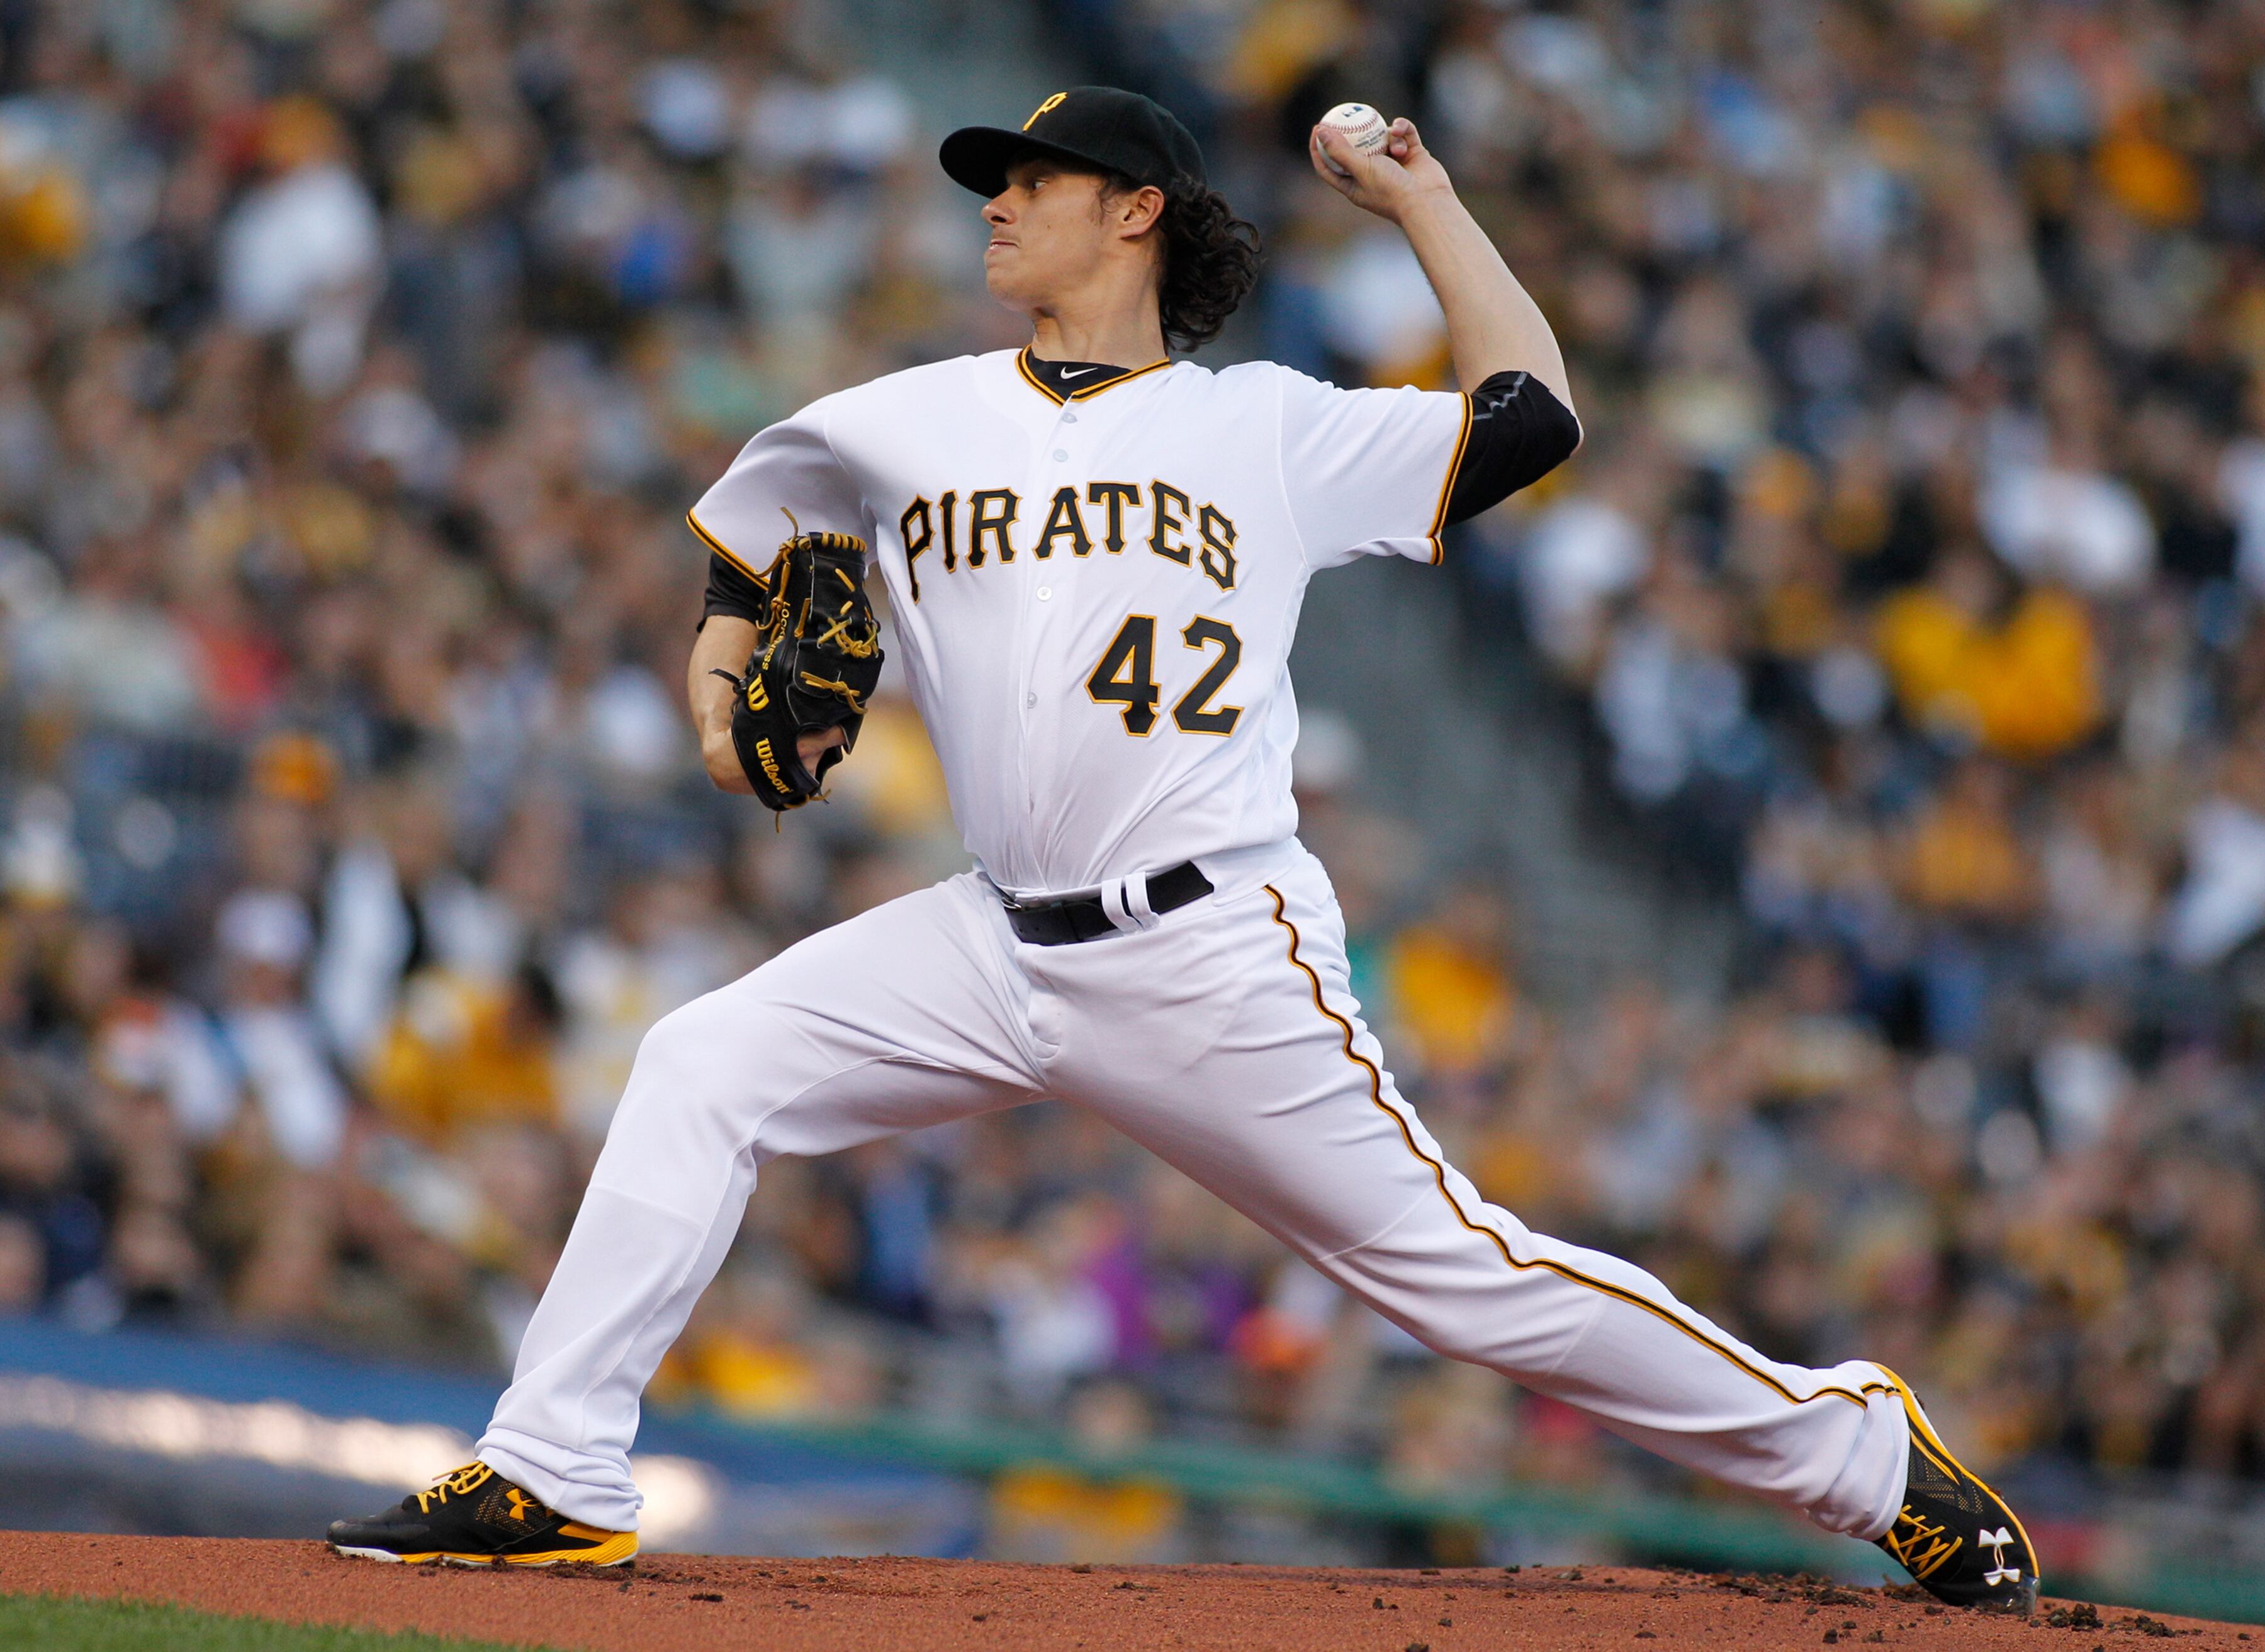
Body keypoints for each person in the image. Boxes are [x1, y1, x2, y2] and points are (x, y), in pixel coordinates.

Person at [327, 87, 2038, 1612]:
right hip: (989, 939)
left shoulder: (1267, 428)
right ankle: (555, 1465)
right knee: (702, 1059)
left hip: (1211, 946)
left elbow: (1533, 415)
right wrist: (723, 723)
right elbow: (741, 567)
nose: (994, 203)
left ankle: (1859, 1451)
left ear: (1136, 211)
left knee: (1457, 1279)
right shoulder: (892, 420)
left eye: (1034, 180)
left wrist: (1422, 203)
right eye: (990, 185)